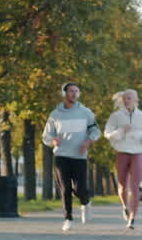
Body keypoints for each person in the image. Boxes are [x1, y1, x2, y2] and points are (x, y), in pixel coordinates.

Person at [42, 81, 100, 231]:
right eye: (71, 91)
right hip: (61, 156)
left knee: (80, 189)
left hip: (79, 156)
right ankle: (68, 218)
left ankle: (85, 202)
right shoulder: (55, 115)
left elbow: (96, 131)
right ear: (64, 93)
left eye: (76, 91)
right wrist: (53, 140)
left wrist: (88, 141)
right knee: (65, 188)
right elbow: (46, 136)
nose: (74, 94)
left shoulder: (86, 112)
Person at [104, 89, 142, 229]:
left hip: (138, 151)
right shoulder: (116, 116)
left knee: (134, 186)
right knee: (122, 186)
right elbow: (107, 133)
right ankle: (124, 206)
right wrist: (121, 131)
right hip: (122, 151)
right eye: (125, 98)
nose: (127, 100)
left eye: (130, 98)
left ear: (136, 100)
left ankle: (132, 217)